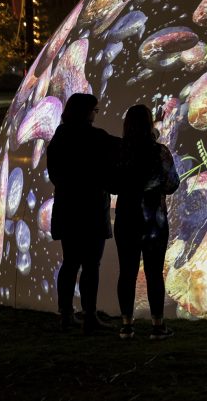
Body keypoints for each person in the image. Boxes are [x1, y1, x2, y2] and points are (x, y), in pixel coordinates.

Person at [46, 93, 121, 334]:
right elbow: (123, 147)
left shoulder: (60, 137)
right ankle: (89, 316)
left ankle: (66, 315)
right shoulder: (96, 138)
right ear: (87, 111)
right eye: (95, 110)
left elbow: (56, 174)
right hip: (91, 210)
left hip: (68, 209)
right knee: (91, 265)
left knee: (70, 263)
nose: (96, 114)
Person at [113, 104, 180, 340]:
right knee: (153, 273)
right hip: (154, 221)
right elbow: (173, 184)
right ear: (150, 124)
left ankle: (126, 325)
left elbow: (112, 184)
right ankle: (157, 325)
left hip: (126, 218)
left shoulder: (120, 152)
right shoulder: (159, 152)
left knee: (127, 272)